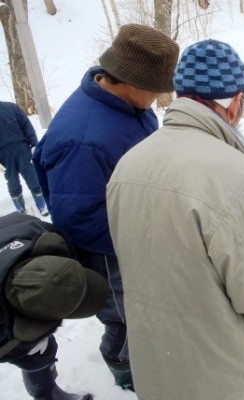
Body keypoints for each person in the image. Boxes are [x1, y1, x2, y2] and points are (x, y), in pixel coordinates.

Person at [106, 39, 244, 400]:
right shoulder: (236, 176)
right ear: (233, 102)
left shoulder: (128, 166)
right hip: (228, 380)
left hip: (157, 372)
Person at [32, 24, 179, 390]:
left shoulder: (128, 107)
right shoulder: (83, 141)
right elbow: (78, 219)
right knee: (125, 315)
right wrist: (143, 238)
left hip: (133, 229)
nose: (159, 98)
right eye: (156, 89)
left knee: (146, 307)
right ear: (130, 81)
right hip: (108, 250)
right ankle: (123, 367)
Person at [0, 212, 108, 400]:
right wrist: (24, 344)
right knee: (34, 353)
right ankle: (45, 393)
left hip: (10, 236)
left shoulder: (42, 234)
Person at [0, 101, 48, 215]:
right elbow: (26, 124)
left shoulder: (10, 107)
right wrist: (33, 143)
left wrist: (34, 144)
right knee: (24, 178)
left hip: (13, 151)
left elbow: (26, 124)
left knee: (18, 179)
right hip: (15, 150)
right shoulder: (11, 107)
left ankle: (26, 208)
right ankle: (38, 207)